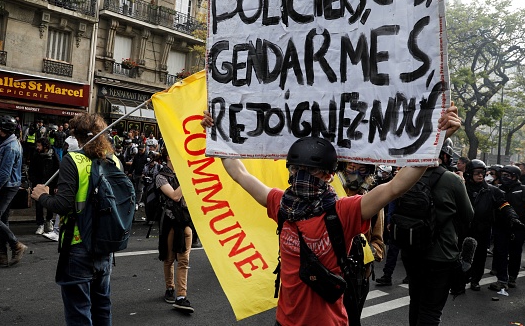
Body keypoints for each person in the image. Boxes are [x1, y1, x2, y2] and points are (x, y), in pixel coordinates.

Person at [200, 106, 461, 325]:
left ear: (327, 176)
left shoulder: (343, 211)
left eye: (310, 171)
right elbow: (239, 173)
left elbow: (394, 187)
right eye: (296, 169)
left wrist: (434, 143)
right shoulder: (281, 203)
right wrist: (215, 135)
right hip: (285, 320)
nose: (300, 176)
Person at [31, 113, 117, 325]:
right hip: (105, 246)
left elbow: (63, 205)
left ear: (76, 136)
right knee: (102, 306)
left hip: (78, 245)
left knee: (79, 311)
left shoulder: (73, 160)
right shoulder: (113, 160)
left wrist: (41, 196)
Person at [401, 138, 473, 326]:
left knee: (415, 300)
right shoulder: (452, 179)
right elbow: (468, 215)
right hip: (441, 254)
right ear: (445, 155)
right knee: (431, 310)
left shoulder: (405, 174)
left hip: (411, 249)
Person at [337, 162, 385, 325]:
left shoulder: (374, 202)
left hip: (357, 278)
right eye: (351, 167)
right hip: (330, 275)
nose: (355, 172)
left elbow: (379, 245)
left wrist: (364, 251)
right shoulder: (331, 194)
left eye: (361, 169)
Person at [463, 159, 522, 292]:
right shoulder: (462, 188)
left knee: (480, 256)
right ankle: (462, 279)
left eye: (482, 173)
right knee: (463, 256)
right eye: (477, 173)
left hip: (483, 229)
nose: (480, 176)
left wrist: (512, 216)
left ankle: (475, 280)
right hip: (465, 229)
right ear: (469, 173)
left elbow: (504, 204)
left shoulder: (492, 191)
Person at [0, 115, 27, 268]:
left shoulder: (10, 146)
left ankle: (16, 245)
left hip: (7, 186)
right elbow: (4, 169)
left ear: (3, 130)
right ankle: (1, 255)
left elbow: (6, 173)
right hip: (7, 184)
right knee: (2, 219)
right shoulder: (9, 142)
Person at [157, 146, 195, 313]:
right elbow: (175, 196)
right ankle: (170, 288)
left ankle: (181, 296)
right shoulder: (161, 177)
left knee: (184, 260)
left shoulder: (183, 175)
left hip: (186, 222)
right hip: (171, 222)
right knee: (169, 258)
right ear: (168, 157)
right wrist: (187, 178)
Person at [489, 165, 525, 291]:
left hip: (519, 228)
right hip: (500, 227)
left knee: (515, 253)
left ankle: (512, 278)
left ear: (515, 177)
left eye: (507, 175)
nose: (504, 178)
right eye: (503, 175)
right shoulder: (497, 189)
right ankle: (502, 279)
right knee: (500, 253)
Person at [28, 137, 59, 235]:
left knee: (50, 203)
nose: (37, 148)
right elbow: (31, 169)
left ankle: (49, 221)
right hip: (39, 183)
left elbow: (58, 169)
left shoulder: (53, 155)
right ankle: (40, 224)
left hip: (51, 183)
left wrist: (57, 185)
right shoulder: (36, 155)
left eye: (39, 146)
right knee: (39, 205)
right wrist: (34, 181)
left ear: (45, 146)